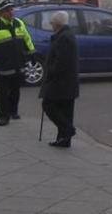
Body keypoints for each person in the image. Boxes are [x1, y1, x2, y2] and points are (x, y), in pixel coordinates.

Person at [0, 0, 36, 126]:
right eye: (8, 10)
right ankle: (3, 116)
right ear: (1, 13)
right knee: (3, 93)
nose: (11, 12)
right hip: (2, 67)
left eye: (12, 9)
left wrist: (32, 53)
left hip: (18, 65)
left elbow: (27, 39)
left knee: (16, 91)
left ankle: (13, 111)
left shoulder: (18, 23)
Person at [40, 11, 80, 147]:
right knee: (65, 110)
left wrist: (50, 73)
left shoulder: (64, 38)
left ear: (57, 23)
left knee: (48, 105)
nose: (51, 25)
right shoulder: (64, 35)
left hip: (61, 81)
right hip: (66, 82)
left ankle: (68, 130)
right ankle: (63, 139)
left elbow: (61, 62)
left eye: (52, 22)